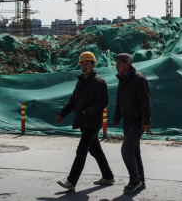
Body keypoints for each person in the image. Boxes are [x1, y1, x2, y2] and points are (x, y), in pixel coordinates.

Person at [55, 51, 115, 191]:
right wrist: (62, 114)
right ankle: (108, 176)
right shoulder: (81, 81)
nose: (84, 67)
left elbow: (102, 102)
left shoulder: (99, 82)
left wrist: (87, 111)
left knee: (81, 151)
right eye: (82, 64)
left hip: (92, 123)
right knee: (95, 151)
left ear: (93, 65)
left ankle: (71, 181)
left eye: (87, 64)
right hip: (83, 122)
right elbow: (73, 100)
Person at [112, 53, 153, 194]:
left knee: (126, 150)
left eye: (119, 63)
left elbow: (145, 102)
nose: (116, 66)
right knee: (135, 152)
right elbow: (119, 101)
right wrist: (117, 118)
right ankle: (140, 181)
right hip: (127, 122)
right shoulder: (122, 79)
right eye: (116, 63)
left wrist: (146, 122)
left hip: (137, 122)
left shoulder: (138, 79)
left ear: (127, 64)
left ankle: (135, 181)